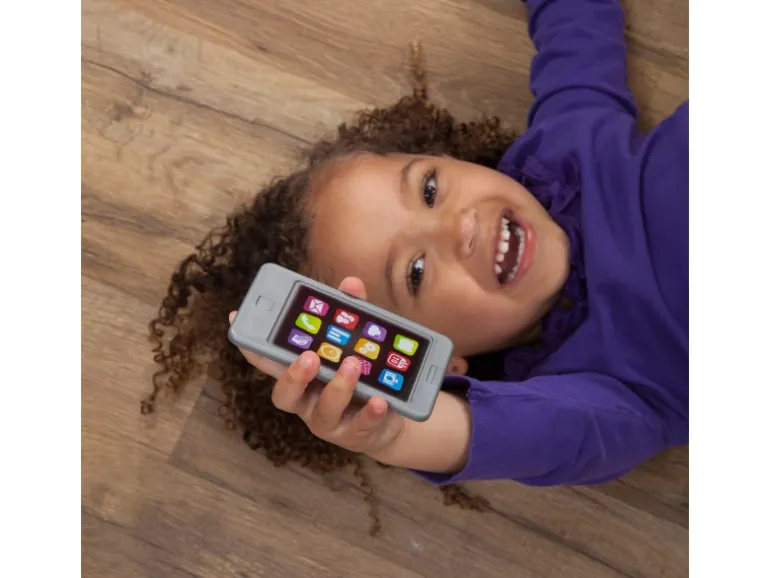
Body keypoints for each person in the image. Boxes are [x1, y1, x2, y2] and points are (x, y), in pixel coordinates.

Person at [144, 0, 687, 529]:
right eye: (416, 274)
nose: (460, 228)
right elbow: (533, 436)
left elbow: (576, 30)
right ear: (445, 361)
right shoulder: (592, 391)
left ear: (447, 157)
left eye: (429, 189)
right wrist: (399, 434)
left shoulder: (561, 152)